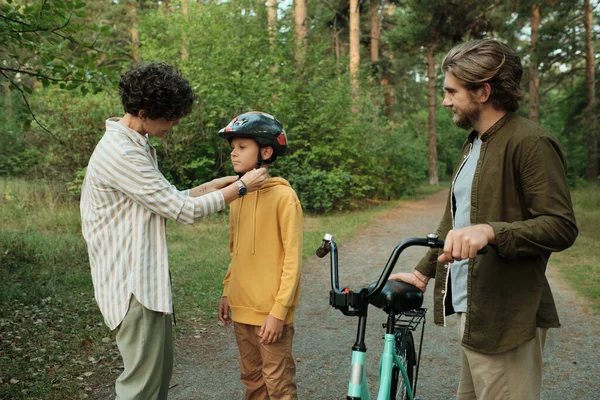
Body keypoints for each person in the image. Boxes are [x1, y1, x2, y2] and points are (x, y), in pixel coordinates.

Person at [389, 39, 578, 399]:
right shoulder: (475, 142)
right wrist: (422, 272)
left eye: (451, 91)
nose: (445, 101)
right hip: (475, 311)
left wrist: (491, 231)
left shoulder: (530, 142)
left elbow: (561, 225)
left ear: (483, 91)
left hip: (508, 317)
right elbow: (455, 221)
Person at [80, 63, 267, 400]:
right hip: (132, 286)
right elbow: (181, 212)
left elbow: (166, 201)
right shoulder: (121, 152)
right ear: (143, 112)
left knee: (156, 385)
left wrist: (213, 186)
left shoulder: (136, 143)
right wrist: (240, 189)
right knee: (141, 391)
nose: (176, 123)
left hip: (146, 285)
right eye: (171, 116)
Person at [217, 111, 303, 400]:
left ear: (266, 152)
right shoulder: (237, 196)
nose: (234, 153)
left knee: (278, 386)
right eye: (233, 148)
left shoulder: (284, 197)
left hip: (270, 314)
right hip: (242, 308)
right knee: (253, 382)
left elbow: (292, 260)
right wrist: (228, 290)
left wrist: (279, 312)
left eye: (242, 147)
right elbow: (235, 249)